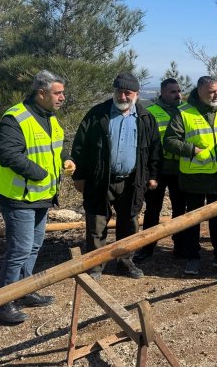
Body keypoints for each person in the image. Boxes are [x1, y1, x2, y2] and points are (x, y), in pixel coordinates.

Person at [0, 70, 75, 324]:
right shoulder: (15, 117)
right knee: (20, 249)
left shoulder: (50, 118)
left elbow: (56, 146)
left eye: (62, 93)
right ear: (41, 93)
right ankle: (2, 303)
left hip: (41, 196)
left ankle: (24, 290)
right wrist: (40, 173)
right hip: (18, 197)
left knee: (34, 246)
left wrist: (67, 158)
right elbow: (7, 154)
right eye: (58, 93)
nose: (62, 98)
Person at [71, 72, 162, 280]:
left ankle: (125, 263)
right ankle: (95, 266)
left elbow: (155, 150)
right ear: (114, 92)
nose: (123, 96)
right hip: (99, 180)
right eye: (119, 92)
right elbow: (80, 147)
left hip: (132, 180)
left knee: (129, 222)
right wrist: (79, 175)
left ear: (136, 94)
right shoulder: (97, 114)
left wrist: (153, 175)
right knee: (96, 223)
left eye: (127, 93)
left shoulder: (146, 118)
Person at [163, 75, 217, 275]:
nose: (215, 94)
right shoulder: (184, 112)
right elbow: (170, 141)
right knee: (193, 219)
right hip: (195, 176)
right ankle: (193, 257)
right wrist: (194, 151)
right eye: (211, 91)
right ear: (199, 92)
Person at [134, 78, 187, 262]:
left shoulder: (185, 111)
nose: (177, 94)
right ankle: (147, 247)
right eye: (172, 91)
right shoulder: (151, 112)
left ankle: (181, 246)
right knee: (152, 210)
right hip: (158, 169)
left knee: (180, 209)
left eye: (178, 91)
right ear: (162, 93)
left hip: (180, 169)